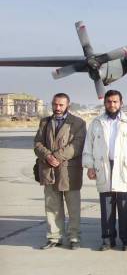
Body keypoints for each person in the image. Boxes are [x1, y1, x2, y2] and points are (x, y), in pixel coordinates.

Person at [83, 90, 127, 251]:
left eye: (115, 101)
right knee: (107, 207)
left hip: (124, 168)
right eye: (109, 101)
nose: (112, 104)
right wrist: (90, 166)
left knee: (125, 207)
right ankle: (108, 240)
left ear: (121, 103)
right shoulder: (96, 122)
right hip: (104, 167)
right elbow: (89, 146)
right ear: (105, 103)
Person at [34, 93, 86, 250]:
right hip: (48, 170)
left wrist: (56, 156)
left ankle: (74, 237)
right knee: (51, 206)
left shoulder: (78, 123)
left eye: (61, 105)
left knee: (73, 207)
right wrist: (47, 156)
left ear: (67, 105)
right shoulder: (45, 122)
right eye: (55, 104)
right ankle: (54, 237)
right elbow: (37, 143)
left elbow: (77, 145)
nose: (57, 108)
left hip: (69, 172)